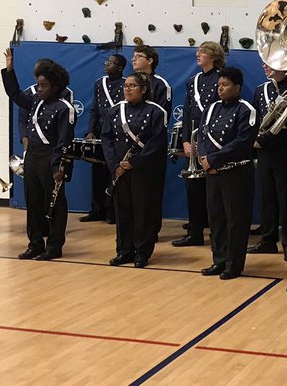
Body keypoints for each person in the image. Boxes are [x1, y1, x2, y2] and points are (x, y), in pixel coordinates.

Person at [2, 50, 75, 260]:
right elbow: (15, 95)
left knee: (54, 203)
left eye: (43, 86)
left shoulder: (64, 108)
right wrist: (9, 71)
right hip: (32, 156)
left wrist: (58, 166)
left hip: (51, 158)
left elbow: (64, 141)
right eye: (38, 84)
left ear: (55, 87)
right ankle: (35, 244)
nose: (39, 89)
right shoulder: (36, 101)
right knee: (32, 201)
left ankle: (54, 246)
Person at [103, 72, 168, 268]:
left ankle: (142, 252)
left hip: (143, 170)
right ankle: (124, 251)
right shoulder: (115, 111)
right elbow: (107, 138)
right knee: (123, 212)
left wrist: (135, 162)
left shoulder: (156, 111)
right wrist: (115, 165)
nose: (127, 89)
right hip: (120, 170)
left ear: (144, 89)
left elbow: (157, 143)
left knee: (143, 212)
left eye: (132, 86)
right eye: (126, 86)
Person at [198, 66, 257, 280]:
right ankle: (219, 259)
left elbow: (242, 142)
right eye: (219, 85)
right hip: (212, 172)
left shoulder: (246, 110)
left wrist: (214, 159)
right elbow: (202, 135)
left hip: (236, 172)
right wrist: (204, 159)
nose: (220, 89)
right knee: (216, 218)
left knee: (235, 220)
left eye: (225, 85)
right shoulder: (211, 108)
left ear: (237, 87)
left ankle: (233, 264)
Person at [249, 62, 287, 261]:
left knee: (286, 199)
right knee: (267, 197)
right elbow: (255, 119)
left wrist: (266, 138)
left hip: (283, 151)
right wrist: (255, 139)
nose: (264, 66)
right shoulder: (261, 90)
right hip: (264, 152)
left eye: (270, 63)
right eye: (264, 62)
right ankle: (268, 240)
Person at [173, 41, 223, 247]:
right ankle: (194, 232)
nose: (198, 54)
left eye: (203, 52)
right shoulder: (193, 81)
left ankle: (217, 233)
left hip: (212, 142)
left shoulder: (222, 78)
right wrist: (186, 140)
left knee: (213, 191)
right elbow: (186, 112)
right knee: (193, 190)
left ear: (214, 56)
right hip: (193, 140)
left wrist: (205, 143)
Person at [82, 52, 125, 223]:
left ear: (120, 67)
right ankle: (97, 209)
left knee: (113, 172)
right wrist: (91, 131)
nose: (107, 64)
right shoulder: (100, 83)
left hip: (116, 134)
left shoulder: (126, 84)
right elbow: (94, 109)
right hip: (100, 133)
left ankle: (112, 211)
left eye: (111, 62)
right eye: (107, 61)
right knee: (97, 172)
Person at [132, 44, 172, 114]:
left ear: (150, 61)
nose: (134, 59)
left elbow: (162, 113)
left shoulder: (160, 84)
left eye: (139, 56)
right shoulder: (129, 81)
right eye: (134, 56)